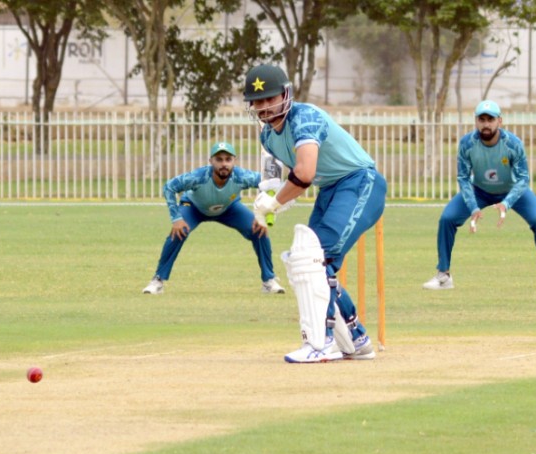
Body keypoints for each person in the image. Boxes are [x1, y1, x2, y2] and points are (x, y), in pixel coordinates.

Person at [243, 63, 387, 363]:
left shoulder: (304, 117)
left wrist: (277, 202)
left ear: (285, 94)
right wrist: (266, 198)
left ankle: (322, 343)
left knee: (314, 258)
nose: (265, 107)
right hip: (331, 189)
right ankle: (356, 339)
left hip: (360, 182)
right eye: (258, 101)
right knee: (305, 259)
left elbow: (305, 172)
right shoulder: (267, 136)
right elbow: (272, 177)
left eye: (270, 98)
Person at [422, 100, 536, 292]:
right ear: (476, 121)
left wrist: (506, 203)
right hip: (479, 190)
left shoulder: (513, 144)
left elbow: (523, 178)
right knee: (447, 219)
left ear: (500, 120)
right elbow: (464, 178)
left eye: (490, 119)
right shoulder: (467, 143)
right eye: (481, 119)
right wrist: (473, 206)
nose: (486, 124)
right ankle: (443, 276)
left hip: (512, 191)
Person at [142, 141, 285, 295]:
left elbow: (268, 185)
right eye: (219, 159)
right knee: (178, 232)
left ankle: (268, 281)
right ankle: (157, 281)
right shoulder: (198, 177)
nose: (224, 164)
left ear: (234, 161)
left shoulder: (242, 176)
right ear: (211, 161)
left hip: (229, 208)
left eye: (228, 159)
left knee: (259, 231)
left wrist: (262, 214)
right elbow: (169, 187)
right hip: (194, 208)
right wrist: (176, 218)